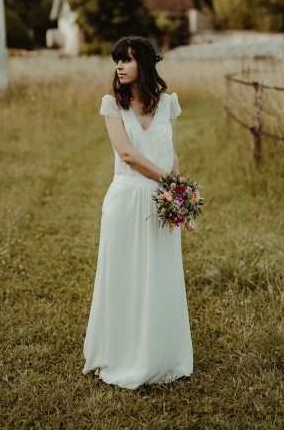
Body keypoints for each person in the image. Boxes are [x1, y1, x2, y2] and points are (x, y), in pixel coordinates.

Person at [82, 35, 194, 389]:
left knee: (159, 276)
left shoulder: (168, 104)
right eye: (117, 59)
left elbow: (172, 154)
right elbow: (127, 155)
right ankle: (122, 354)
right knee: (125, 277)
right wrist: (171, 185)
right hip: (126, 200)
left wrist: (179, 199)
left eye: (127, 59)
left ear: (143, 64)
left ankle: (158, 353)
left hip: (160, 203)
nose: (119, 65)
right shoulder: (111, 105)